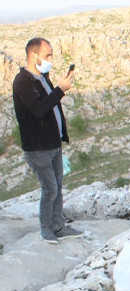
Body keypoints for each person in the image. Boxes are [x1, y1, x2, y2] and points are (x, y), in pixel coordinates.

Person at [13, 37, 83, 244]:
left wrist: (57, 88)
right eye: (47, 55)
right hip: (38, 147)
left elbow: (50, 105)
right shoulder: (22, 82)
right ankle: (47, 229)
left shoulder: (42, 77)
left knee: (58, 186)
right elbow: (38, 110)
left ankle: (59, 226)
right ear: (33, 55)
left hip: (53, 144)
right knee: (50, 188)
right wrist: (60, 90)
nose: (50, 59)